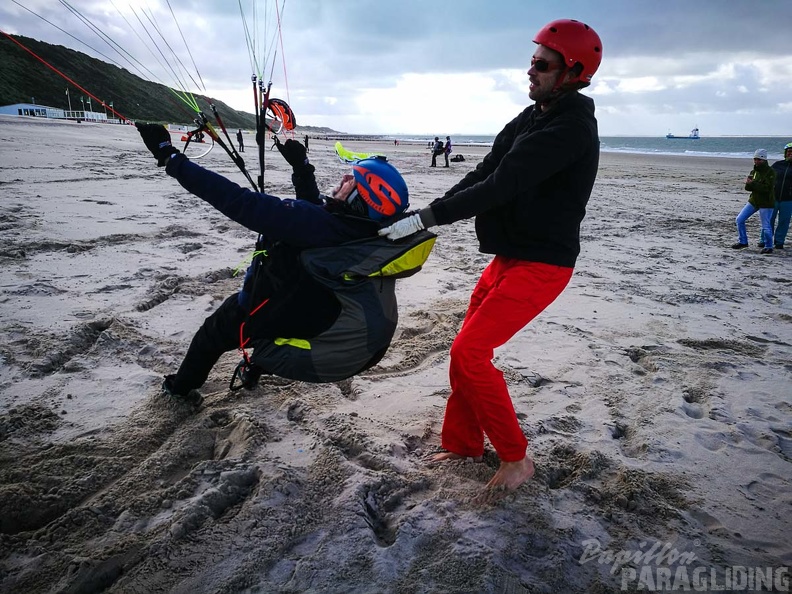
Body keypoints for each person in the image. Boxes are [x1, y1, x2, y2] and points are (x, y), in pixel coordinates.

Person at [378, 19, 603, 493]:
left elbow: (502, 186)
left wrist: (428, 219)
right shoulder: (533, 115)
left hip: (544, 265)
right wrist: (424, 216)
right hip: (509, 256)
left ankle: (516, 459)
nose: (531, 69)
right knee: (465, 351)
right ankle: (462, 444)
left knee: (471, 351)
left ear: (572, 71)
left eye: (542, 63)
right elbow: (484, 170)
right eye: (532, 59)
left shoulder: (571, 128)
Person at [134, 123, 410, 404]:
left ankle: (180, 388)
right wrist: (302, 168)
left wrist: (171, 158)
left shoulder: (315, 224)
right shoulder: (363, 232)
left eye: (352, 179)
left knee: (213, 333)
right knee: (272, 329)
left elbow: (237, 200)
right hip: (313, 311)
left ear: (361, 199)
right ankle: (256, 367)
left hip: (275, 307)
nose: (343, 178)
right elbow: (317, 218)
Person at [732, 149, 777, 253]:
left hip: (766, 203)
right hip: (754, 201)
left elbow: (767, 189)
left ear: (764, 160)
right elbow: (748, 188)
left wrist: (753, 184)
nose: (756, 162)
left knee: (766, 226)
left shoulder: (771, 172)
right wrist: (749, 183)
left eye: (759, 160)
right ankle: (743, 242)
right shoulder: (754, 171)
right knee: (739, 219)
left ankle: (769, 246)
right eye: (755, 159)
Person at [771, 142, 792, 249]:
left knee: (784, 221)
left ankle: (779, 242)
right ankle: (766, 240)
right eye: (789, 152)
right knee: (769, 219)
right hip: (773, 198)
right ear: (785, 153)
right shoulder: (777, 165)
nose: (791, 154)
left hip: (788, 200)